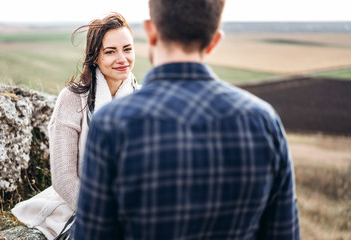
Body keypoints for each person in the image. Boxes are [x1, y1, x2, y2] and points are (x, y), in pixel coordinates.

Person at [72, 0, 301, 239]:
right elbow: (284, 233)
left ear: (151, 31)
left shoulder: (111, 124)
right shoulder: (263, 122)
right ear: (214, 41)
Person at [11, 12, 140, 240]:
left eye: (127, 49)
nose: (122, 58)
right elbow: (63, 177)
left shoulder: (143, 99)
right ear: (95, 57)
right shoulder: (72, 98)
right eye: (110, 51)